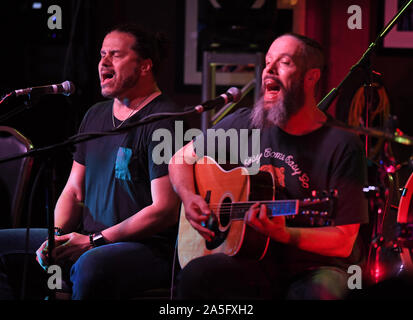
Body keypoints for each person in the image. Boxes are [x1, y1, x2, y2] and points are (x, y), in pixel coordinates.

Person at [168, 33, 369, 300]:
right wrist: (189, 196)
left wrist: (284, 233)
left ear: (311, 78)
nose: (268, 71)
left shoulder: (342, 144)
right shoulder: (244, 123)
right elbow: (179, 159)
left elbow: (343, 241)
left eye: (284, 62)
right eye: (268, 62)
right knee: (197, 276)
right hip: (250, 257)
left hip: (313, 266)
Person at [0, 24, 180, 300]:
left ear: (145, 66)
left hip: (145, 247)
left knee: (90, 266)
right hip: (88, 236)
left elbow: (164, 209)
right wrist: (56, 235)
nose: (103, 63)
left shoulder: (165, 122)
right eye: (102, 54)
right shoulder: (95, 115)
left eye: (115, 55)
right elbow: (74, 190)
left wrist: (95, 241)